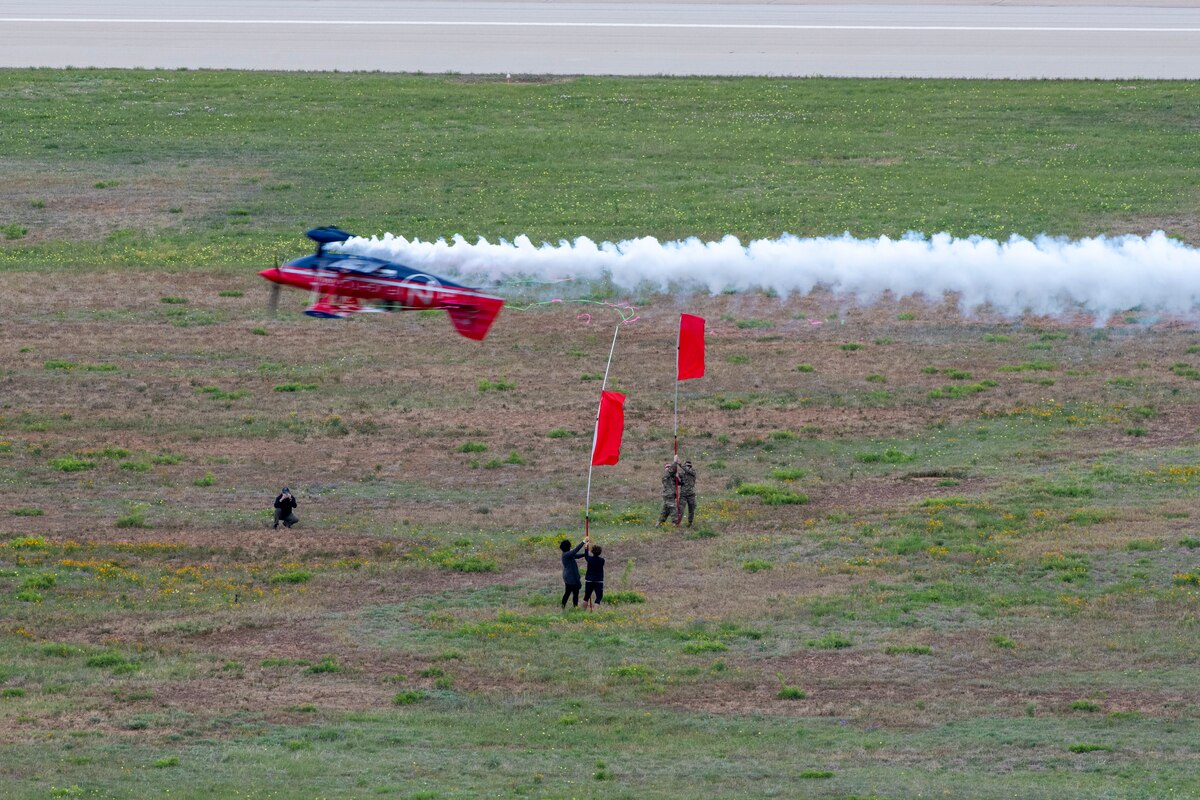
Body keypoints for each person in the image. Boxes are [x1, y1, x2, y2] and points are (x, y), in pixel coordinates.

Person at [559, 538, 586, 608]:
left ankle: (563, 607)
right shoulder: (567, 554)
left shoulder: (566, 554)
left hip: (568, 577)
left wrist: (585, 554)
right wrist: (583, 542)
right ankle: (575, 607)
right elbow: (575, 550)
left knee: (568, 593)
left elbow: (576, 556)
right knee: (575, 593)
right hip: (571, 577)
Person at [582, 543, 605, 610]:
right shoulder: (602, 560)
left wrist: (586, 547)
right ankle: (594, 612)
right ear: (600, 552)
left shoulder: (589, 559)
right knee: (599, 597)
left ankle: (582, 611)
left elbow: (586, 555)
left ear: (592, 552)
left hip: (589, 580)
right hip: (598, 581)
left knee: (586, 597)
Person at [678, 457, 698, 527]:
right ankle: (677, 523)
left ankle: (690, 523)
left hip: (691, 495)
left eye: (689, 466)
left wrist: (680, 464)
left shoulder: (693, 472)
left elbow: (687, 470)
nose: (687, 467)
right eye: (686, 465)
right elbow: (679, 481)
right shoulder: (682, 474)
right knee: (680, 510)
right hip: (683, 495)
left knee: (691, 510)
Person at [656, 461, 678, 526]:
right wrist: (675, 462)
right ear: (665, 469)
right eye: (667, 467)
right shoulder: (666, 475)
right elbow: (672, 469)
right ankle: (675, 523)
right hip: (668, 495)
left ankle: (659, 523)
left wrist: (677, 477)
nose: (668, 468)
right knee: (673, 509)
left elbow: (679, 482)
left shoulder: (671, 476)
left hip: (670, 495)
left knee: (665, 511)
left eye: (669, 466)